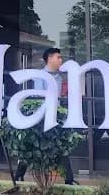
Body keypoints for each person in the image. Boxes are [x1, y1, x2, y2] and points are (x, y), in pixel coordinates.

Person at [13, 47, 78, 185]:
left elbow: (58, 98)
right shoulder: (40, 75)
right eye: (58, 57)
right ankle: (18, 175)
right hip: (41, 117)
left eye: (61, 58)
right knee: (31, 145)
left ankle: (69, 179)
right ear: (49, 59)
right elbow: (39, 96)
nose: (61, 60)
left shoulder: (59, 77)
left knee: (61, 146)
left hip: (55, 115)